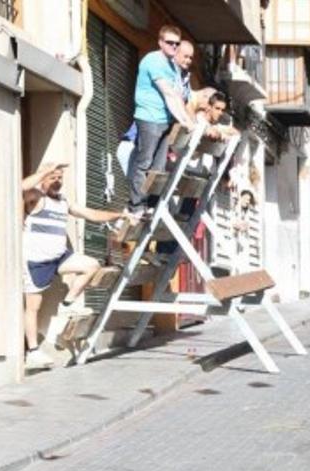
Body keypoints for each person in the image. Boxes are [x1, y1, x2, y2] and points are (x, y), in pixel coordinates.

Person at [22, 163, 131, 369]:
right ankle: (33, 352)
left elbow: (92, 214)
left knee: (91, 265)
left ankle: (67, 304)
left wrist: (120, 215)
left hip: (60, 257)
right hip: (36, 261)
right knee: (33, 307)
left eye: (60, 177)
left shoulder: (64, 201)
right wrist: (45, 170)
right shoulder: (36, 197)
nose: (57, 181)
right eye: (53, 177)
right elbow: (20, 188)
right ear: (43, 178)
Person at [127, 25, 195, 215]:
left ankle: (150, 204)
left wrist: (186, 120)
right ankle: (136, 206)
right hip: (149, 118)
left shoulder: (172, 66)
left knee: (158, 168)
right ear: (160, 42)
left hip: (165, 120)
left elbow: (178, 96)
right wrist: (187, 122)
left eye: (176, 43)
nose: (173, 46)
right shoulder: (154, 61)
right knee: (144, 163)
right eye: (169, 42)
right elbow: (169, 94)